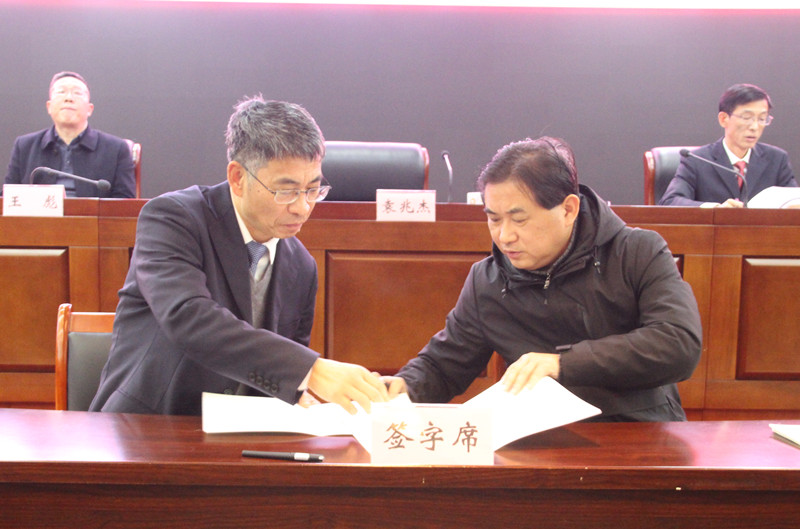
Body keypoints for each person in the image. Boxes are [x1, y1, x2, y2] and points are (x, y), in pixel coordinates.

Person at [90, 96, 388, 415]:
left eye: (313, 189)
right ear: (237, 178)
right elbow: (188, 316)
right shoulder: (173, 219)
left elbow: (282, 371)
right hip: (149, 425)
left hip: (240, 433)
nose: (302, 207)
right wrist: (310, 369)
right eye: (286, 191)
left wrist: (306, 393)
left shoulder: (301, 266)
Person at [384, 137, 702, 421]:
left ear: (568, 209)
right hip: (539, 440)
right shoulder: (488, 280)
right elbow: (443, 366)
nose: (504, 236)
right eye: (494, 219)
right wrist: (402, 387)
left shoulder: (637, 251)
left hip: (640, 431)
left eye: (519, 219)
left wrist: (561, 363)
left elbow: (678, 344)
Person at [659, 83, 797, 207]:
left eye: (762, 119)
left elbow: (794, 202)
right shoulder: (697, 160)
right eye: (747, 118)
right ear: (723, 119)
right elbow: (670, 201)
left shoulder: (777, 159)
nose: (754, 127)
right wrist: (715, 209)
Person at [3, 71, 135, 198]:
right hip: (38, 214)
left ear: (90, 109)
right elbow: (7, 198)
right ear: (49, 107)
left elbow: (125, 203)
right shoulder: (25, 146)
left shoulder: (116, 149)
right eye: (61, 92)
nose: (68, 98)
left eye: (77, 93)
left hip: (91, 215)